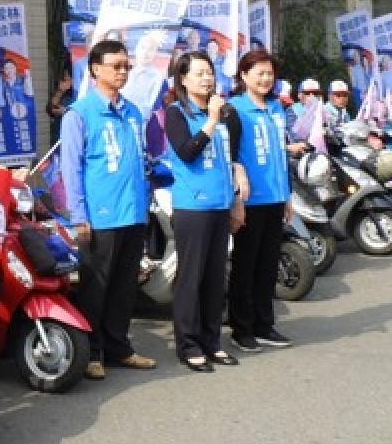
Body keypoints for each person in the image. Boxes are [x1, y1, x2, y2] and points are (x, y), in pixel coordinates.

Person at [57, 39, 157, 380]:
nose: (123, 71)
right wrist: (78, 216)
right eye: (116, 65)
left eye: (126, 66)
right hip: (100, 215)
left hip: (133, 212)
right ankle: (92, 351)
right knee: (95, 287)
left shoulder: (132, 112)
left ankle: (119, 347)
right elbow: (71, 170)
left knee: (125, 285)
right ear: (95, 69)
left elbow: (139, 160)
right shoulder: (79, 114)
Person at [163, 52, 246, 372]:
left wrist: (235, 199)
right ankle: (188, 344)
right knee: (191, 278)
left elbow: (229, 159)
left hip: (220, 203)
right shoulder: (176, 113)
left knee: (214, 278)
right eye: (199, 74)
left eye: (209, 73)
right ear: (183, 79)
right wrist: (210, 120)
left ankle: (212, 342)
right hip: (193, 207)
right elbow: (187, 153)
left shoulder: (224, 113)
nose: (206, 79)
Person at [228, 49, 299, 352]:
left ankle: (264, 325)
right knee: (246, 266)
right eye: (260, 73)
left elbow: (281, 156)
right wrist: (236, 201)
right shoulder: (234, 109)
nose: (266, 79)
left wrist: (287, 196)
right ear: (244, 76)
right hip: (249, 201)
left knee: (268, 266)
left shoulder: (276, 109)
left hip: (275, 198)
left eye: (270, 73)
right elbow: (229, 157)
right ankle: (241, 329)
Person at [122, 31, 166, 117]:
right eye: (143, 47)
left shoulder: (158, 78)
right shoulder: (125, 70)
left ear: (155, 53)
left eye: (150, 49)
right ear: (136, 49)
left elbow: (153, 107)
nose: (146, 52)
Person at [46, 70, 75, 141]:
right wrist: (60, 91)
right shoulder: (64, 93)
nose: (65, 78)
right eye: (64, 76)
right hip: (59, 138)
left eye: (67, 76)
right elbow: (50, 109)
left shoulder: (84, 93)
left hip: (74, 138)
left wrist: (66, 111)